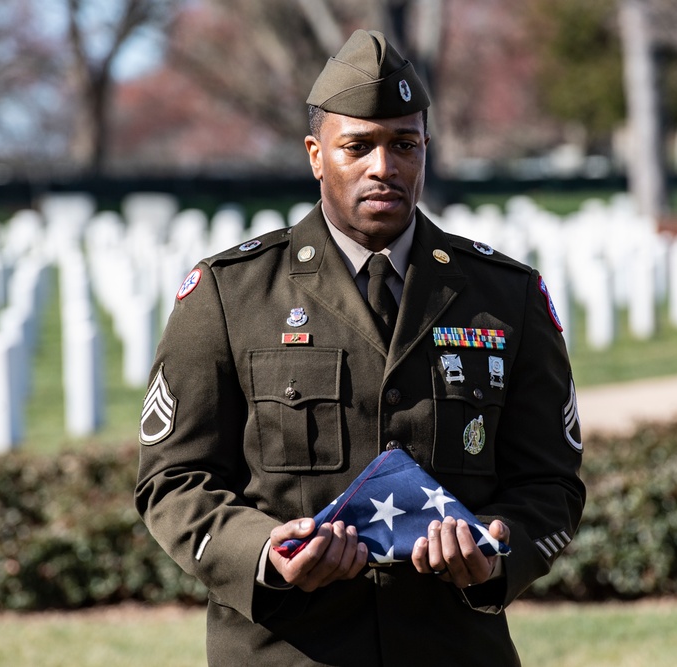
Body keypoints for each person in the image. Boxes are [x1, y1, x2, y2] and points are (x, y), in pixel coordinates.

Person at [135, 29, 585, 666]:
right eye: (359, 147)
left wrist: (498, 549)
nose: (385, 167)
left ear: (426, 150)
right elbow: (173, 481)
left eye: (405, 144)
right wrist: (264, 553)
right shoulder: (229, 295)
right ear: (317, 155)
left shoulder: (504, 296)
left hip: (451, 649)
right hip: (289, 650)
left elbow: (551, 483)